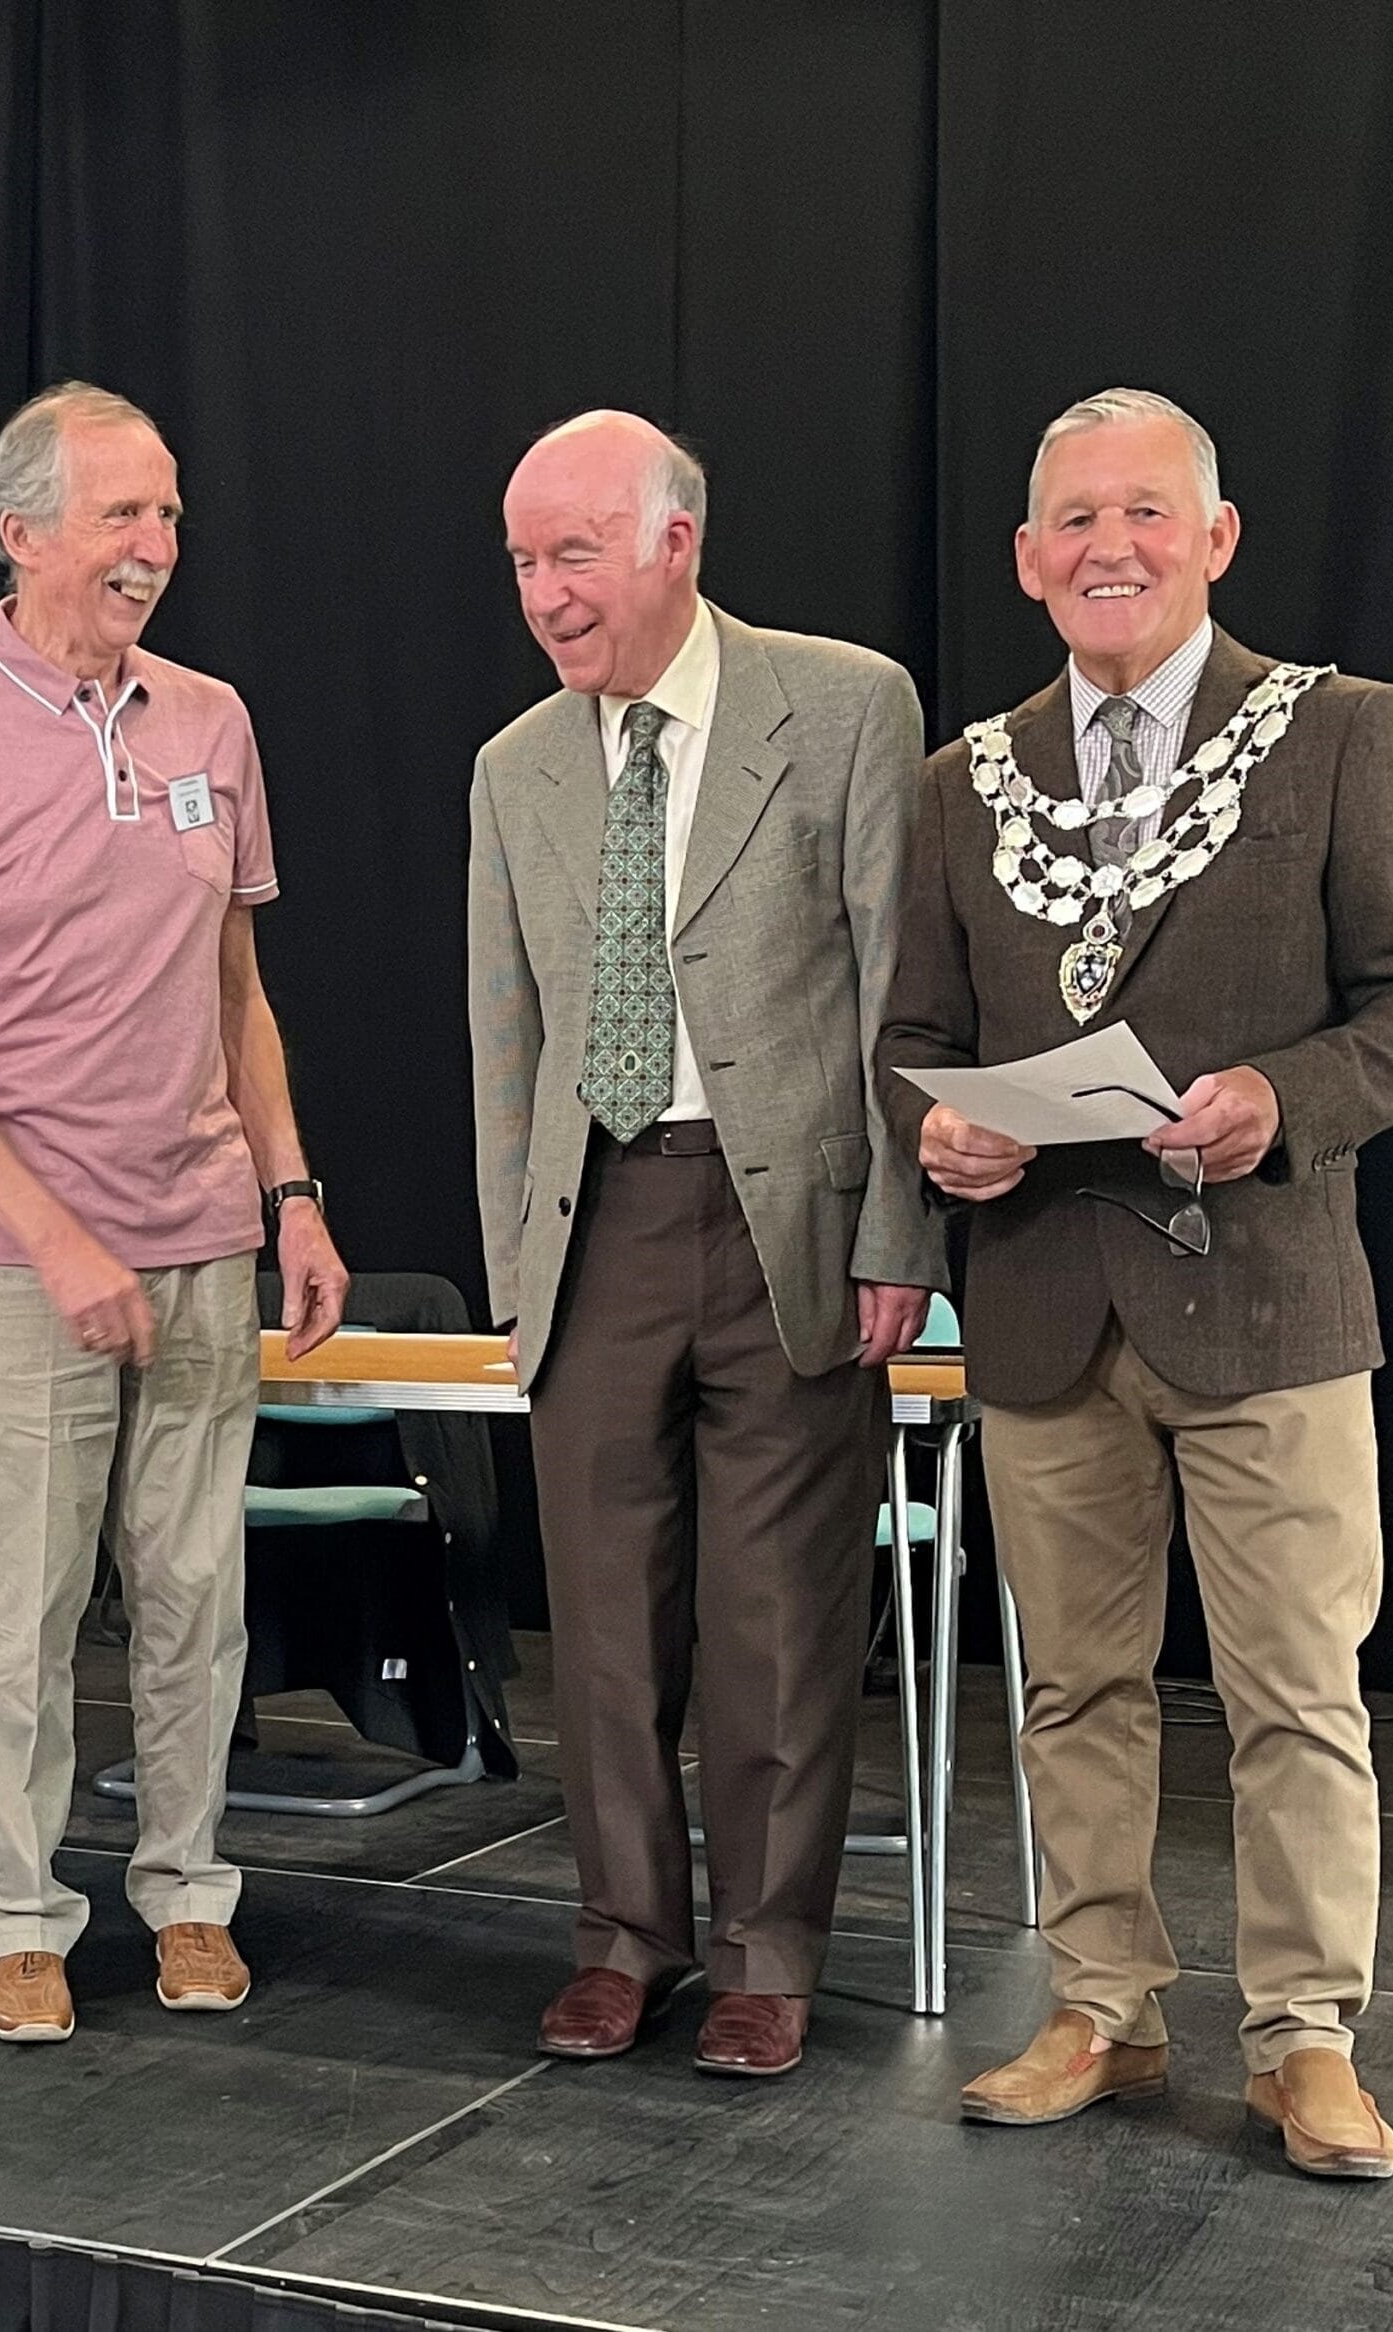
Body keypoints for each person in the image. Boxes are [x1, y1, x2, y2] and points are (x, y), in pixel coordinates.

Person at [878, 387, 1393, 2179]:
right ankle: (1102, 2008)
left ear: (1216, 538)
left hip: (1271, 1304)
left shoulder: (1343, 730)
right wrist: (938, 1132)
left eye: (1144, 512)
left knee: (1298, 1695)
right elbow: (909, 1037)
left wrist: (1286, 1100)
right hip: (1045, 1308)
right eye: (1074, 519)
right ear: (1026, 559)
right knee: (1071, 1693)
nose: (1107, 546)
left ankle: (1306, 2040)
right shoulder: (960, 782)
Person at [0, 381, 349, 2044]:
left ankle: (191, 1895)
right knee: (24, 1614)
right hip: (14, 1268)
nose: (158, 544)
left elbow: (237, 988)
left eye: (169, 514)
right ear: (24, 533)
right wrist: (59, 1240)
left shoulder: (213, 722)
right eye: (123, 514)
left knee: (198, 1599)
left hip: (202, 1239)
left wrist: (291, 1194)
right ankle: (20, 1921)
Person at [470, 412, 939, 2079]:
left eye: (572, 553)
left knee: (777, 1619)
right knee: (602, 1620)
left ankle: (765, 1955)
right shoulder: (514, 764)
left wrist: (900, 1228)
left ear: (676, 541)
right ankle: (624, 1937)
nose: (544, 592)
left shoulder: (846, 704)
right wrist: (514, 1262)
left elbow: (897, 987)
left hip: (783, 1220)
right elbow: (503, 1038)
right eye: (522, 561)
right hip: (592, 1221)